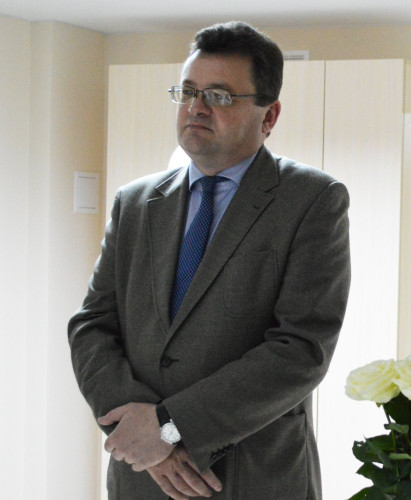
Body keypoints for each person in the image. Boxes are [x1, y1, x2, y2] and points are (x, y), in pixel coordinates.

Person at [68, 21, 350, 500]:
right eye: (187, 92)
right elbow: (91, 325)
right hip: (143, 477)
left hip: (252, 477)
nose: (196, 108)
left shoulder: (312, 199)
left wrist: (169, 427)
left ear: (269, 115)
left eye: (219, 96)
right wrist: (141, 432)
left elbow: (301, 349)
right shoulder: (134, 203)